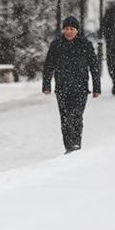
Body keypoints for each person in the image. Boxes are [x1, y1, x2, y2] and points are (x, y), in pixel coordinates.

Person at [42, 16, 101, 154]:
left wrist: (96, 87)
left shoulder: (85, 45)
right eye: (66, 29)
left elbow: (94, 67)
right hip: (62, 88)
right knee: (65, 118)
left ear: (77, 30)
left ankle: (76, 145)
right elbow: (48, 66)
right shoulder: (56, 45)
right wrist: (46, 85)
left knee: (76, 116)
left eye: (72, 29)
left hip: (80, 88)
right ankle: (68, 146)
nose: (69, 32)